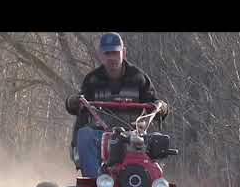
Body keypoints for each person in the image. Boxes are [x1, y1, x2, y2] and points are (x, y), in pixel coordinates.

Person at [65, 32, 169, 178]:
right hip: (101, 136)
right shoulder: (92, 80)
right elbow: (78, 104)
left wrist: (161, 107)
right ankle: (95, 183)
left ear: (123, 52)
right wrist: (73, 101)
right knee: (85, 135)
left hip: (134, 134)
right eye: (107, 53)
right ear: (101, 55)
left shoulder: (139, 78)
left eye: (115, 52)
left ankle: (152, 184)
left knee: (159, 139)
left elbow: (154, 104)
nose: (112, 58)